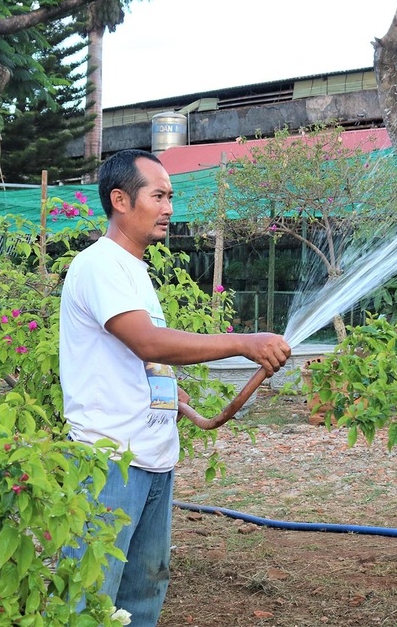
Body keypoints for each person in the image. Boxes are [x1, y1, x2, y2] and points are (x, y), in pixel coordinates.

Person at [59, 149, 291, 625]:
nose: (168, 208)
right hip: (108, 462)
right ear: (120, 200)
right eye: (158, 196)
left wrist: (165, 390)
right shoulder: (99, 264)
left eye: (170, 197)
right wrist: (243, 342)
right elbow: (147, 340)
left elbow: (137, 355)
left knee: (141, 596)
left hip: (152, 459)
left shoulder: (134, 271)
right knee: (89, 600)